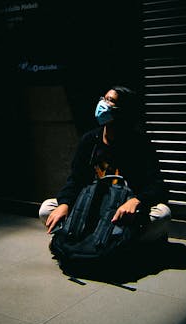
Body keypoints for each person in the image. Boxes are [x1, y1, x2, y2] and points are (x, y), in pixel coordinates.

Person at [38, 84, 171, 244]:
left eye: (110, 101)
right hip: (92, 205)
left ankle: (111, 241)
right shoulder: (89, 140)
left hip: (122, 209)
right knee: (47, 209)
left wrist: (137, 201)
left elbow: (157, 185)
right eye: (104, 98)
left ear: (123, 110)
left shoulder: (140, 144)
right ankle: (111, 241)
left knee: (162, 214)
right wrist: (65, 203)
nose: (102, 104)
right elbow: (75, 179)